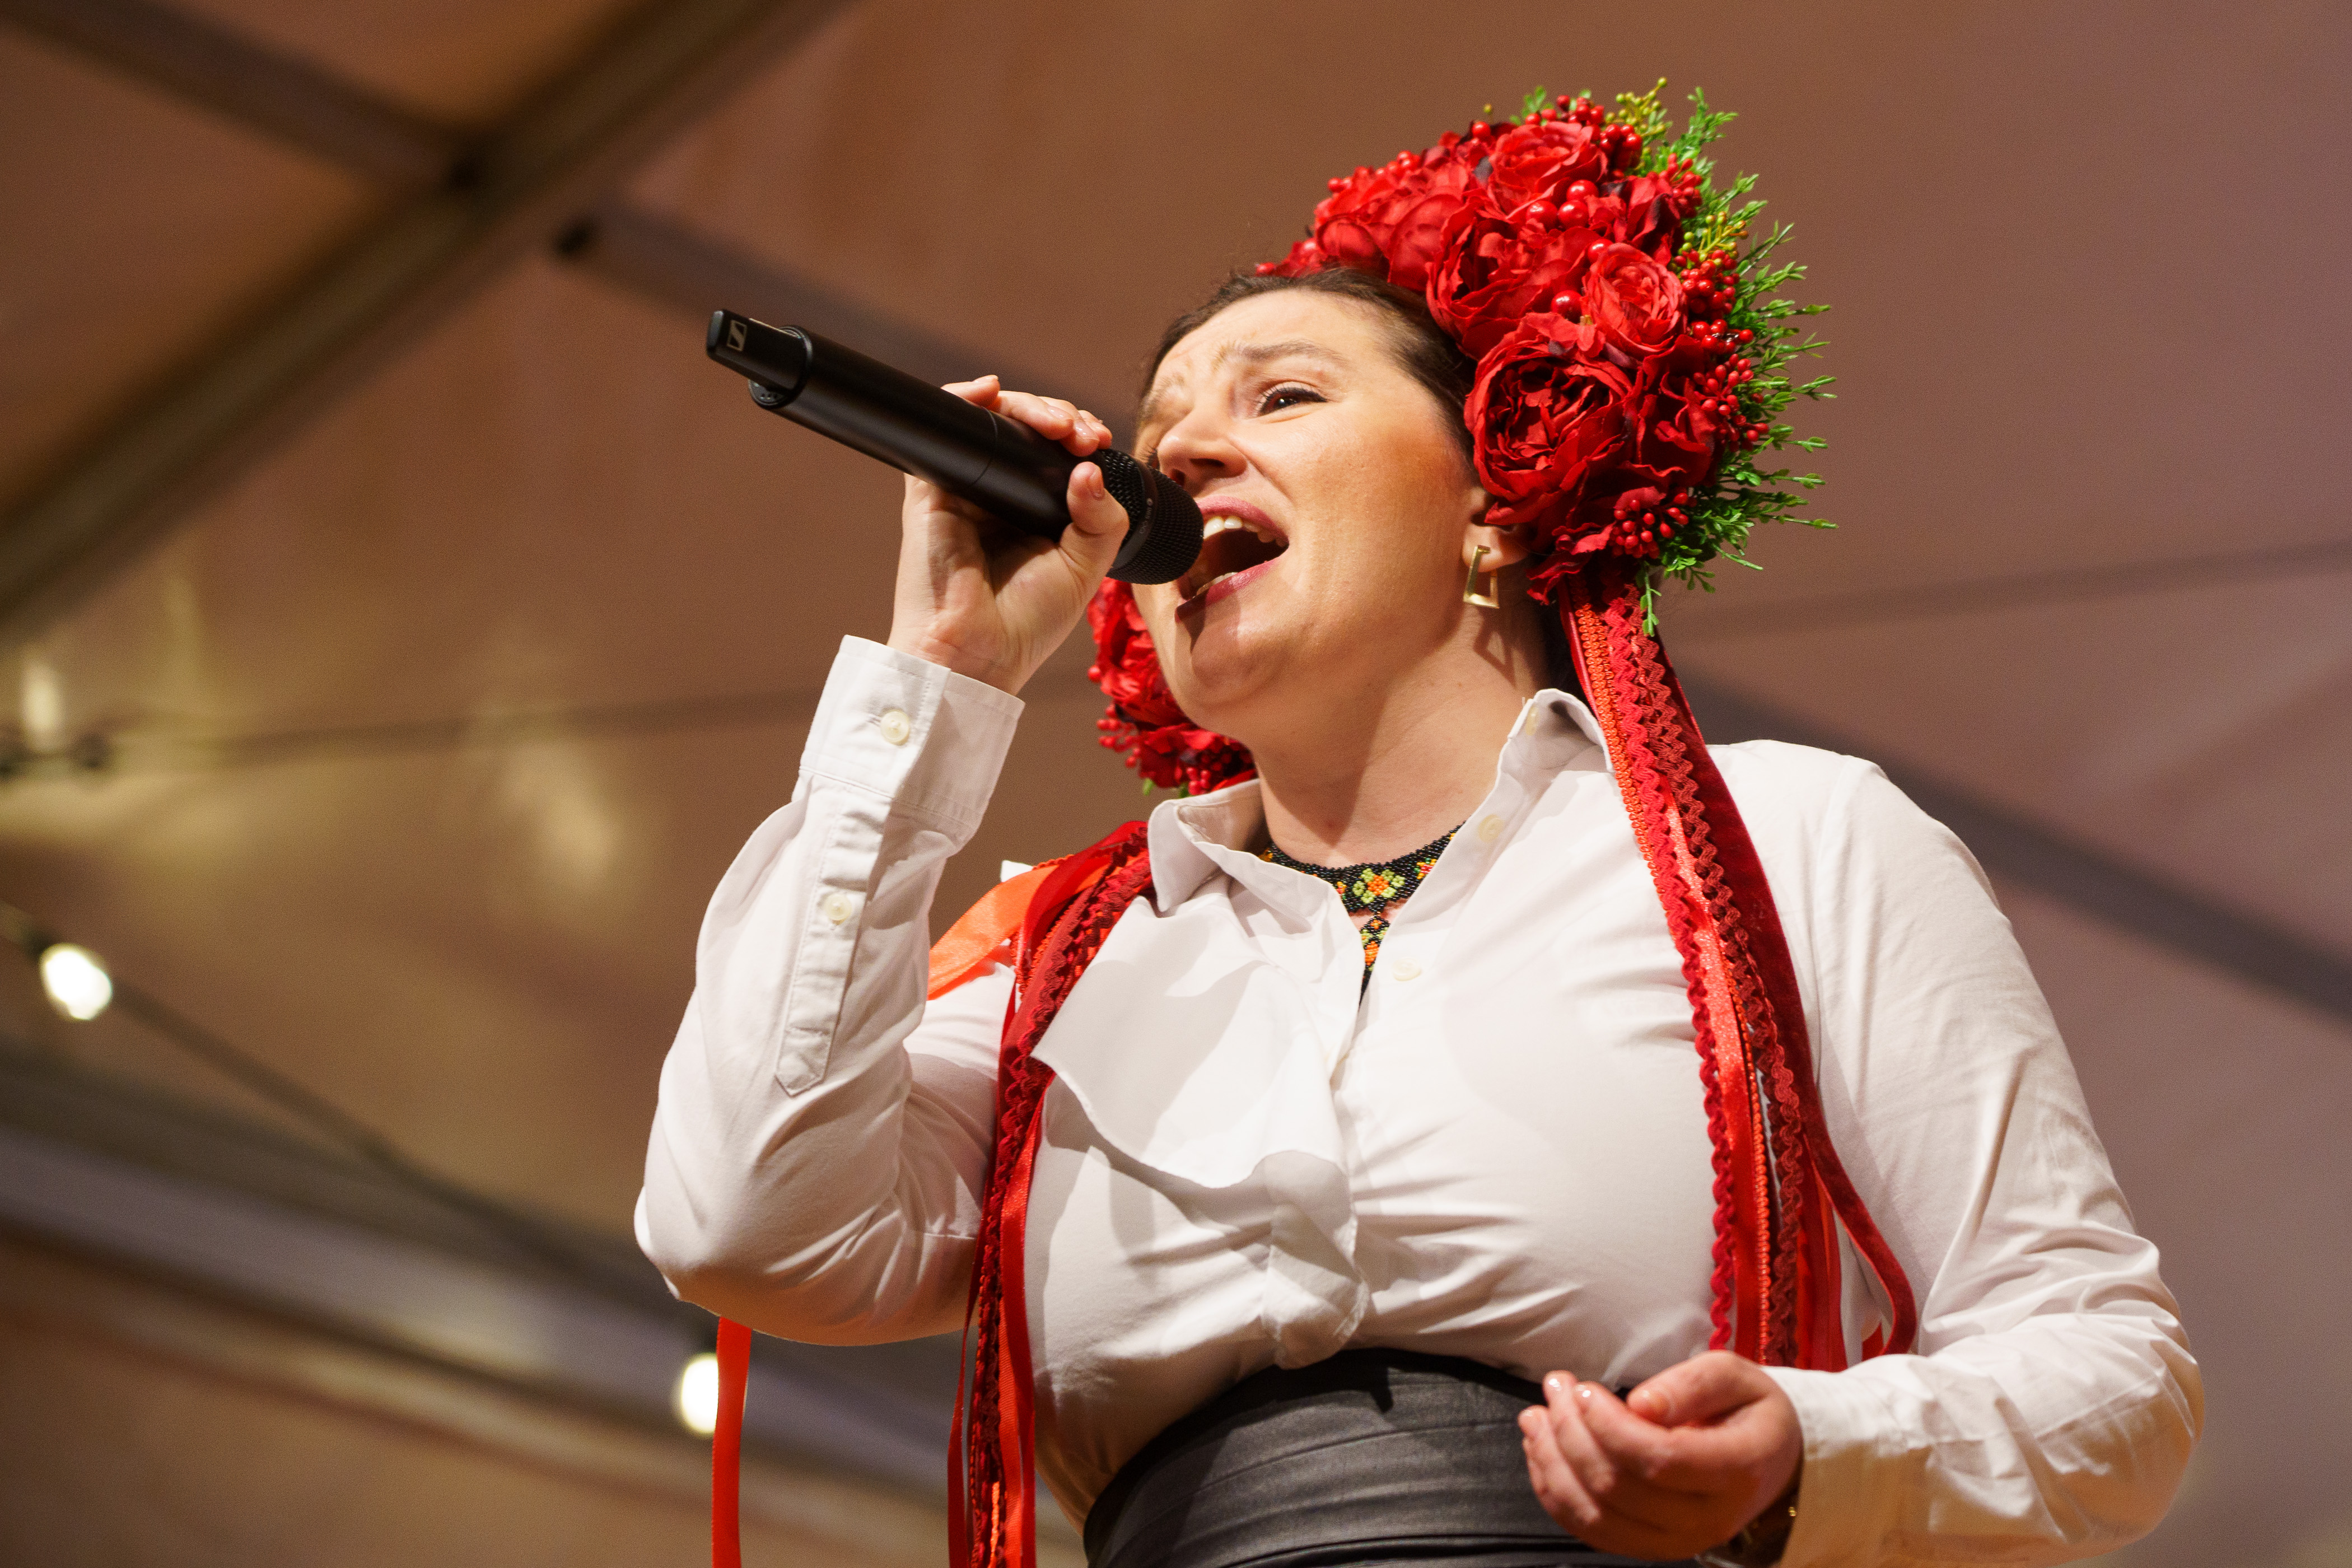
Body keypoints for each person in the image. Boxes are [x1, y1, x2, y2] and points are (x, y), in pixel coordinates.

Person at [640, 94, 2199, 1568]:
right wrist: (941, 679)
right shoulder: (1065, 959)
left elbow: (2109, 1372)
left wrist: (1813, 1445)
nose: (1176, 459)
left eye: (1283, 397)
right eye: (1158, 435)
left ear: (1492, 499)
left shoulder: (1788, 841)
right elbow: (746, 1228)